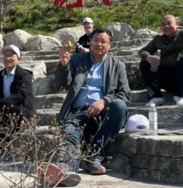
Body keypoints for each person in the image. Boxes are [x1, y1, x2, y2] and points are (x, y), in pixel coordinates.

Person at [40, 28, 131, 186]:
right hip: (78, 110)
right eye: (95, 40)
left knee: (120, 106)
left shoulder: (118, 66)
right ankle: (66, 169)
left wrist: (103, 101)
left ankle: (94, 157)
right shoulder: (77, 59)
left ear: (109, 45)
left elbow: (125, 94)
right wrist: (63, 64)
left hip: (103, 113)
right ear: (90, 42)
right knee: (71, 134)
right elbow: (61, 84)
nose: (99, 44)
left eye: (103, 41)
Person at [138, 0, 183, 106]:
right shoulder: (158, 40)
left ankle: (179, 95)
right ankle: (156, 97)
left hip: (181, 77)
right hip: (164, 76)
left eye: (169, 23)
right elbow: (142, 51)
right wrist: (147, 57)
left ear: (176, 24)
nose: (166, 26)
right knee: (144, 64)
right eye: (163, 24)